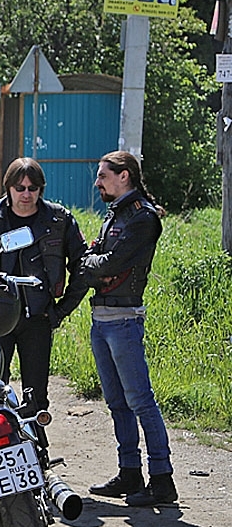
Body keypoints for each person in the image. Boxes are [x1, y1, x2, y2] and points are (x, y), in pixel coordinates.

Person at [0, 157, 87, 437]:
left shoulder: (58, 219)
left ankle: (40, 455)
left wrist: (61, 310)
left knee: (36, 397)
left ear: (41, 189)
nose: (26, 194)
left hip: (37, 317)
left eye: (33, 188)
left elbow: (82, 267)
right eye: (20, 187)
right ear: (8, 188)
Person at [83, 151, 176, 507]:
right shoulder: (116, 215)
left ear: (125, 176)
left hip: (123, 321)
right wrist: (94, 266)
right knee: (117, 403)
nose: (98, 182)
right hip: (102, 319)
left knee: (140, 401)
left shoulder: (142, 218)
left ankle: (162, 480)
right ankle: (130, 474)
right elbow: (96, 265)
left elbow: (113, 261)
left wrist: (92, 264)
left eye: (103, 176)